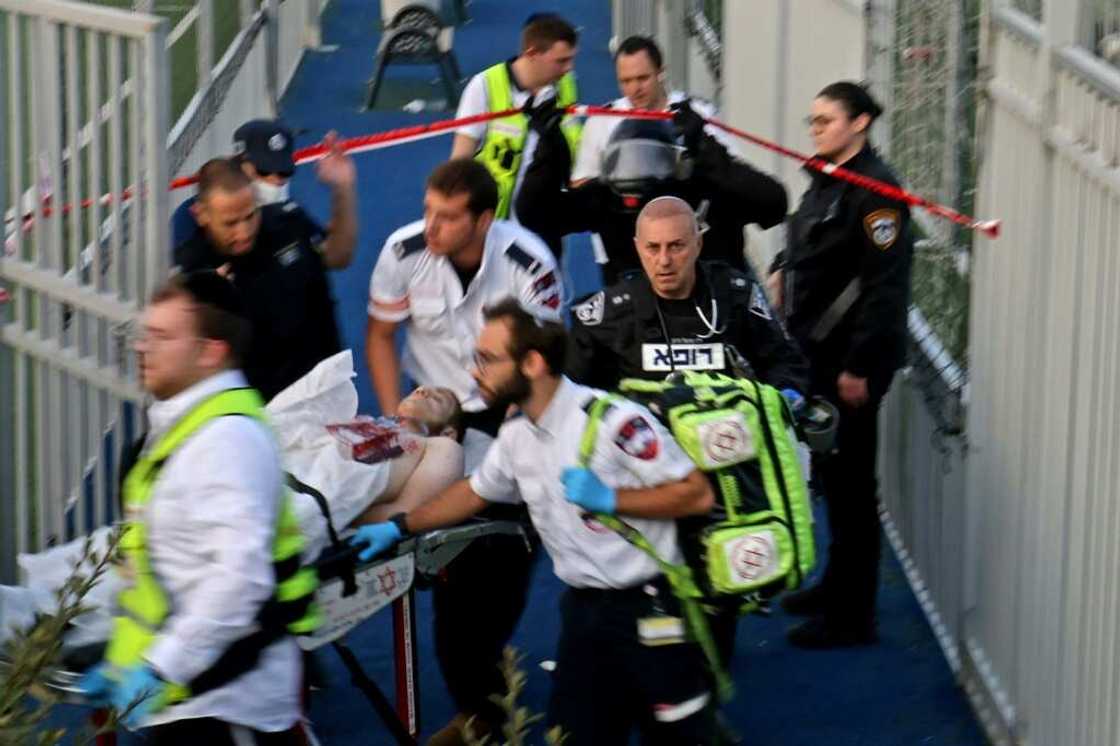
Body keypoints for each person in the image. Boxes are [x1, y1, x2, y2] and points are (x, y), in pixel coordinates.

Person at [351, 299, 718, 744]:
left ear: (532, 363)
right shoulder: (517, 436)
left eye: (487, 359)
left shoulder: (612, 422)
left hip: (649, 610)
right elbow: (473, 492)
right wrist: (401, 526)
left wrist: (612, 498)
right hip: (584, 616)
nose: (473, 372)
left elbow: (696, 494)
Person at [365, 158, 561, 744]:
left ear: (485, 218)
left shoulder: (531, 266)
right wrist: (398, 419)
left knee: (498, 579)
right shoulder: (403, 252)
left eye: (448, 218)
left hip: (508, 426)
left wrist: (477, 422)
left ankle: (485, 710)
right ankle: (479, 713)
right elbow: (380, 336)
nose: (431, 227)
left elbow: (537, 375)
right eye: (428, 210)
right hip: (431, 434)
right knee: (449, 588)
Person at [77, 272, 314, 745]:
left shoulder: (225, 441)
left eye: (162, 336)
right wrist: (121, 660)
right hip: (188, 703)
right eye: (144, 333)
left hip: (226, 708)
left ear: (211, 351)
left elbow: (240, 578)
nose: (143, 347)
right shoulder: (182, 427)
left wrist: (160, 667)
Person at [767, 81, 914, 649]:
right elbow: (807, 242)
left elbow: (883, 290)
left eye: (826, 120)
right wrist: (783, 265)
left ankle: (854, 617)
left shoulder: (876, 195)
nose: (816, 128)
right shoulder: (830, 179)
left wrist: (858, 367)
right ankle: (835, 586)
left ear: (860, 124)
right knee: (832, 477)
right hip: (818, 357)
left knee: (853, 490)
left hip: (850, 364)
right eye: (812, 120)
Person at [516, 36, 787, 283]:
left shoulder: (698, 117)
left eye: (642, 78)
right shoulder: (603, 127)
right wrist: (549, 145)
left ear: (661, 73)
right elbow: (550, 205)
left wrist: (704, 146)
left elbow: (756, 194)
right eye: (626, 81)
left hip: (706, 268)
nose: (635, 89)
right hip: (625, 264)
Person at [174, 159, 342, 401]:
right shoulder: (193, 272)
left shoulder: (289, 224)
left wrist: (342, 191)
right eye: (230, 223)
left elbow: (339, 258)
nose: (243, 232)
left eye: (250, 216)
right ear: (200, 214)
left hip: (323, 393)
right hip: (254, 414)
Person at [449, 13, 581, 225]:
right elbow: (459, 163)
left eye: (571, 59)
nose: (569, 68)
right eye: (561, 61)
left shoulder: (566, 84)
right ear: (532, 53)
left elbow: (573, 141)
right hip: (496, 224)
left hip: (546, 221)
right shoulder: (484, 86)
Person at [172, 119, 358, 269]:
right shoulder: (190, 219)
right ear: (237, 164)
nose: (275, 182)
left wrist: (343, 187)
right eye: (263, 171)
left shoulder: (287, 215)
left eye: (283, 172)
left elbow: (336, 258)